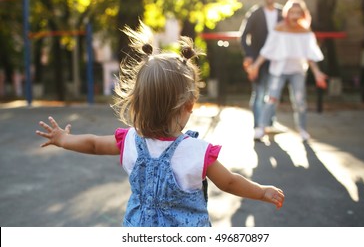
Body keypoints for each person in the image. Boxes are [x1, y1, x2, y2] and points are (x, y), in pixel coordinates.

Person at [35, 22, 284, 227]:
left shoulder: (130, 141)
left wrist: (64, 139)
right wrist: (260, 191)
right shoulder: (197, 152)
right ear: (189, 105)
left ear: (138, 102)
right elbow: (228, 182)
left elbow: (93, 144)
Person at [247, 0, 328, 141]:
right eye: (292, 12)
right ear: (287, 14)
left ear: (303, 15)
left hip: (297, 71)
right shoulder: (279, 28)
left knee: (300, 101)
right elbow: (267, 50)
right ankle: (260, 128)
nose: (295, 16)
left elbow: (309, 55)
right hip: (279, 71)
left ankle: (302, 130)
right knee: (271, 99)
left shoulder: (305, 31)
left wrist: (317, 73)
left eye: (298, 13)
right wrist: (255, 66)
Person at [239, 0, 283, 139]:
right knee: (259, 93)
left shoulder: (282, 13)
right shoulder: (256, 13)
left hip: (278, 60)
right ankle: (258, 126)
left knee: (273, 93)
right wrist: (249, 55)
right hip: (258, 60)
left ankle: (270, 123)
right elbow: (244, 36)